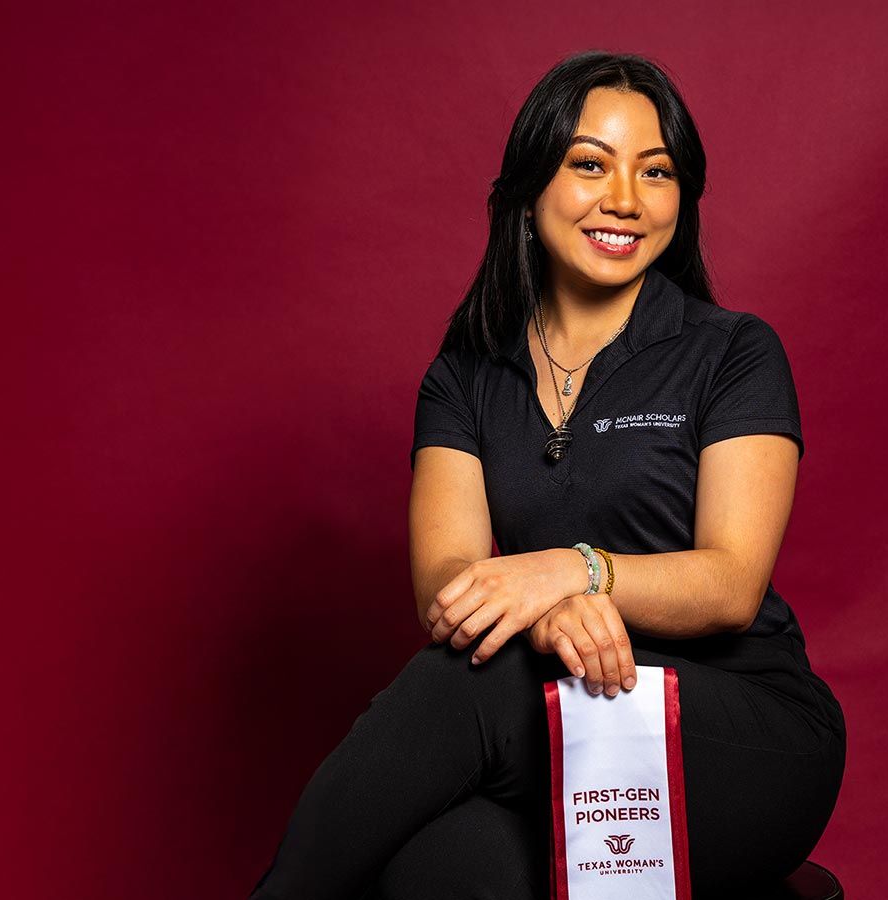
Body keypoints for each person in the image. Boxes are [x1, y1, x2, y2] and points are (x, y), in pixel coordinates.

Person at [247, 51, 847, 900]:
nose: (626, 201)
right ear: (532, 186)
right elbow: (449, 587)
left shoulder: (734, 354)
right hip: (570, 709)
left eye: (657, 172)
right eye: (590, 164)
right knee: (435, 871)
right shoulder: (464, 377)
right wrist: (551, 611)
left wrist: (574, 569)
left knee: (471, 684)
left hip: (739, 730)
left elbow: (730, 584)